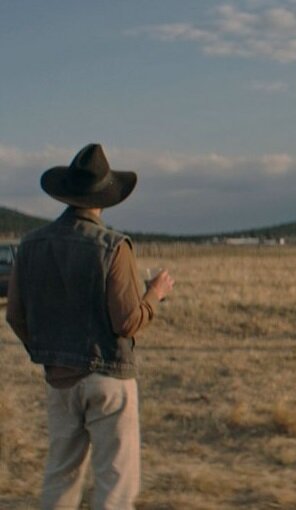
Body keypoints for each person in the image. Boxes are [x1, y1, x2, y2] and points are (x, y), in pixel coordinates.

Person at [6, 143, 174, 509]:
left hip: (59, 378)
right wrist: (155, 294)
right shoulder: (113, 246)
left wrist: (49, 351)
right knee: (115, 483)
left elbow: (15, 315)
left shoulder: (30, 245)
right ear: (105, 198)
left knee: (61, 475)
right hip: (109, 377)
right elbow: (127, 321)